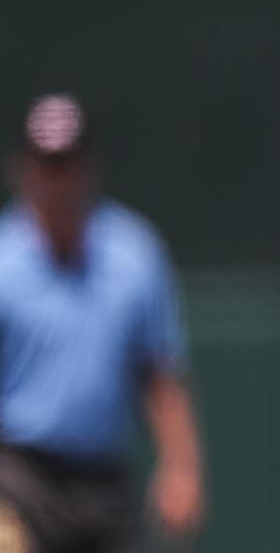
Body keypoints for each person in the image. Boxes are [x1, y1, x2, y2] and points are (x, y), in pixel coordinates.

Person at [0, 94, 204, 552]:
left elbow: (161, 373)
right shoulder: (3, 261)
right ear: (23, 170)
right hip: (20, 478)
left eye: (68, 164)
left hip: (104, 479)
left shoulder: (133, 253)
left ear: (89, 167)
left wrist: (182, 470)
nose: (58, 182)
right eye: (47, 165)